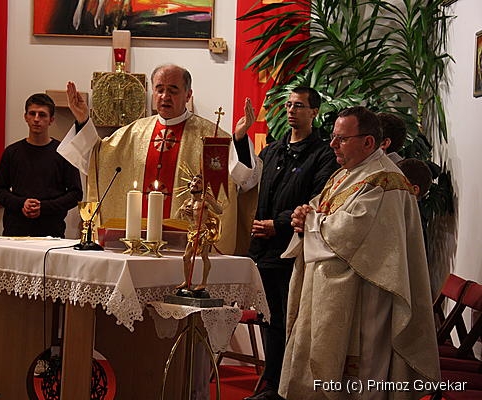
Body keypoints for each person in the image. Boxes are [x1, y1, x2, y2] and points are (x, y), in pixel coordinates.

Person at [282, 106, 440, 399]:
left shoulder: (386, 180)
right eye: (333, 137)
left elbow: (352, 233)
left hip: (366, 295)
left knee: (361, 373)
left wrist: (311, 222)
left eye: (342, 139)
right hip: (334, 291)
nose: (332, 144)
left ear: (368, 142)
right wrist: (305, 214)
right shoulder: (347, 174)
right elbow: (323, 207)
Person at [58, 64, 262, 255]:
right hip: (136, 243)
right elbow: (95, 161)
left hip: (188, 248)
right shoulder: (132, 133)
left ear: (188, 95)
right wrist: (83, 120)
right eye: (160, 89)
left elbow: (244, 179)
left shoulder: (212, 138)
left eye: (173, 90)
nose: (165, 96)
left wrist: (239, 140)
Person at [246, 87, 338, 400]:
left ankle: (281, 386)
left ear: (314, 112)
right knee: (268, 318)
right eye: (288, 105)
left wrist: (279, 224)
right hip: (261, 249)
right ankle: (271, 381)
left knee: (286, 321)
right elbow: (251, 185)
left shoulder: (323, 154)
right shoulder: (273, 150)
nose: (291, 110)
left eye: (299, 106)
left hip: (291, 249)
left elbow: (317, 199)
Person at [0, 93, 83, 237]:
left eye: (42, 115)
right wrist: (21, 203)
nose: (36, 119)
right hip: (15, 231)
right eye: (32, 113)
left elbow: (75, 194)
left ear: (51, 120)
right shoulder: (12, 152)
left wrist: (44, 207)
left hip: (51, 232)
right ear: (25, 117)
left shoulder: (64, 153)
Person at [175, 174, 223, 291]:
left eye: (199, 182)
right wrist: (181, 210)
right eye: (194, 181)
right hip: (192, 233)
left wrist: (211, 201)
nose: (195, 183)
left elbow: (219, 211)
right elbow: (176, 218)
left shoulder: (204, 202)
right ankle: (187, 281)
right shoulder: (187, 202)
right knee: (186, 257)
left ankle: (203, 283)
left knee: (204, 257)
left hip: (203, 232)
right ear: (190, 184)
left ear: (203, 187)